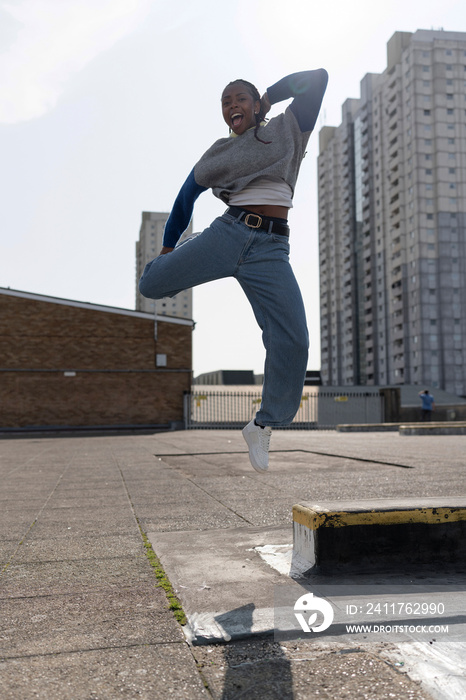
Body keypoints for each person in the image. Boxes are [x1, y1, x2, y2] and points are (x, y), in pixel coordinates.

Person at [139, 69, 328, 472]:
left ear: (256, 104)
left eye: (240, 98)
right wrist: (171, 246)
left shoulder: (289, 127)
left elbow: (318, 78)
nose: (232, 106)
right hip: (228, 233)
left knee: (293, 339)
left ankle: (263, 424)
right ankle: (181, 255)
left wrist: (271, 98)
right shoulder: (218, 153)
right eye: (226, 102)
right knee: (152, 284)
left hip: (271, 249)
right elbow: (185, 197)